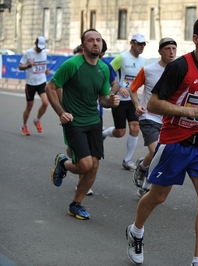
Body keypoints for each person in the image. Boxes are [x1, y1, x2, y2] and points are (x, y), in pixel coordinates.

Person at [125, 16, 198, 266]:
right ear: (195, 39)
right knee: (158, 197)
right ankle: (136, 231)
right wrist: (193, 112)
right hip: (174, 142)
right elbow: (154, 103)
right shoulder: (179, 67)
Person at [46, 29, 120, 220]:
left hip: (94, 121)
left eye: (98, 40)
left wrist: (110, 102)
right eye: (91, 40)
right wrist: (62, 113)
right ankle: (64, 162)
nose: (95, 43)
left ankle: (75, 204)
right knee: (85, 164)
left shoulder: (103, 68)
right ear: (83, 45)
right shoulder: (72, 64)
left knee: (94, 166)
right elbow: (50, 87)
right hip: (74, 121)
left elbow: (103, 98)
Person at [67, 38, 119, 196]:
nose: (99, 57)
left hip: (96, 116)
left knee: (91, 159)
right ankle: (69, 161)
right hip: (76, 117)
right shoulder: (74, 64)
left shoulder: (104, 67)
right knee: (80, 154)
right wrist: (64, 110)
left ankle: (82, 185)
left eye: (102, 54)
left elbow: (115, 83)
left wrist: (110, 95)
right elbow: (57, 87)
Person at [129, 37, 178, 198]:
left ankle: (143, 166)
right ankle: (146, 186)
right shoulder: (148, 70)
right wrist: (138, 106)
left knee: (161, 152)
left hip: (168, 119)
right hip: (148, 116)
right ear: (160, 52)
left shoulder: (179, 70)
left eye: (174, 49)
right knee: (158, 151)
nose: (171, 52)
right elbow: (133, 89)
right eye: (167, 49)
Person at [102, 33, 147, 171]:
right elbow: (107, 72)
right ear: (132, 43)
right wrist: (119, 87)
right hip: (119, 100)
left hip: (133, 100)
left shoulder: (143, 61)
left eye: (143, 44)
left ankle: (127, 160)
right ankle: (103, 134)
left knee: (135, 127)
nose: (142, 46)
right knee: (120, 132)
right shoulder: (121, 58)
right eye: (139, 43)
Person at [19, 36, 50, 135]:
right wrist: (29, 65)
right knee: (29, 106)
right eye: (39, 47)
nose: (40, 49)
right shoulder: (28, 53)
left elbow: (42, 65)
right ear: (35, 43)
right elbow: (20, 67)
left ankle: (37, 120)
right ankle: (24, 125)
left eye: (42, 47)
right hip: (31, 83)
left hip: (41, 81)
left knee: (45, 103)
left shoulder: (44, 52)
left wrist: (45, 70)